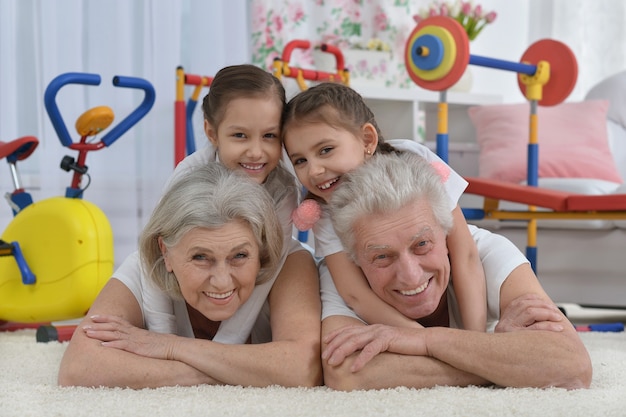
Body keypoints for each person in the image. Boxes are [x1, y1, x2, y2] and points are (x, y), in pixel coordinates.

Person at [320, 152, 592, 390]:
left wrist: (423, 341)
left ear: (448, 234)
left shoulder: (489, 253)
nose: (411, 275)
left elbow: (572, 364)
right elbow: (346, 374)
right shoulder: (341, 278)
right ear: (354, 259)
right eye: (382, 256)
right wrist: (502, 360)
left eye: (422, 245)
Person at [58, 163, 322, 388]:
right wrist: (231, 372)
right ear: (166, 251)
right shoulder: (143, 266)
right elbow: (78, 366)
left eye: (240, 256)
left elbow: (302, 368)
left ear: (261, 248)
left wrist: (171, 347)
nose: (222, 280)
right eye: (200, 257)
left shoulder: (291, 263)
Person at [282, 82, 487, 332]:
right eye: (300, 161)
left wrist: (475, 338)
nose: (313, 171)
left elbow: (465, 254)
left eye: (326, 150)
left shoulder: (411, 158)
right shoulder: (325, 211)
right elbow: (355, 294)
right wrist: (423, 340)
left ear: (367, 140)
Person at [135, 64, 315, 343]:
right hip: (200, 273)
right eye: (240, 135)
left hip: (251, 279)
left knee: (299, 256)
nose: (256, 152)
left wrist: (226, 345)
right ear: (211, 132)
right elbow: (158, 254)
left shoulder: (283, 189)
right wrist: (162, 335)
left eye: (269, 136)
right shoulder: (188, 173)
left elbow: (267, 274)